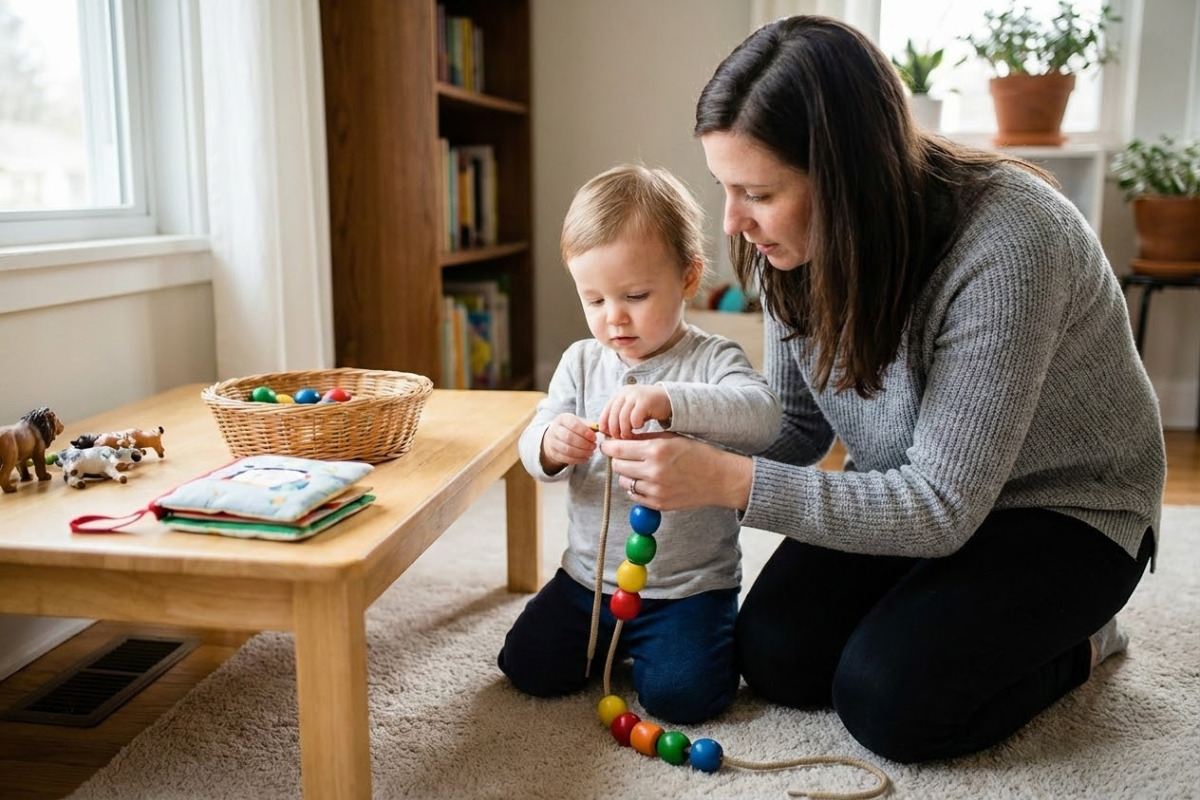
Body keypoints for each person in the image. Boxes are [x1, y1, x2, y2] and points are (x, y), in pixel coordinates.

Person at [599, 16, 1166, 763]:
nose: (733, 219)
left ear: (844, 179)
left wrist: (729, 481)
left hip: (1066, 509)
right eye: (725, 187)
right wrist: (685, 428)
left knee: (893, 703)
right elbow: (795, 428)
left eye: (757, 192)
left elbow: (939, 509)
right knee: (776, 657)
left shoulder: (1012, 241)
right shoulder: (784, 245)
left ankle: (1085, 640)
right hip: (923, 490)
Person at [497, 164, 781, 725]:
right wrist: (553, 444)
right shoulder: (581, 360)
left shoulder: (713, 358)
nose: (614, 318)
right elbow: (535, 434)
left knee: (684, 699)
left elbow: (763, 417)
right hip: (588, 583)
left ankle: (672, 644)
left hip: (688, 590)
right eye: (594, 300)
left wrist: (670, 398)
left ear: (689, 277)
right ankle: (614, 642)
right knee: (527, 666)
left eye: (634, 295)